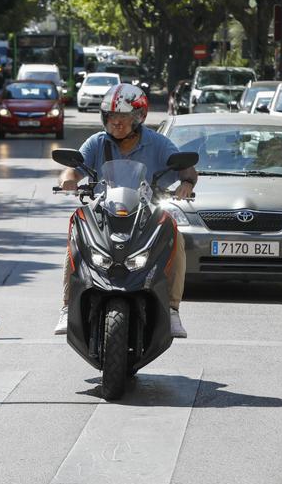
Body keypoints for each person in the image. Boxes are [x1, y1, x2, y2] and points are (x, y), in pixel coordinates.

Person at [54, 83, 197, 337]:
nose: (116, 123)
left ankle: (172, 310)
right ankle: (67, 307)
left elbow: (187, 170)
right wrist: (68, 178)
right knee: (76, 232)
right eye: (110, 117)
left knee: (175, 235)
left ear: (138, 118)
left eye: (122, 117)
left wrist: (186, 184)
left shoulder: (157, 143)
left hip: (145, 216)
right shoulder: (97, 142)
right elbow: (72, 169)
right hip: (103, 215)